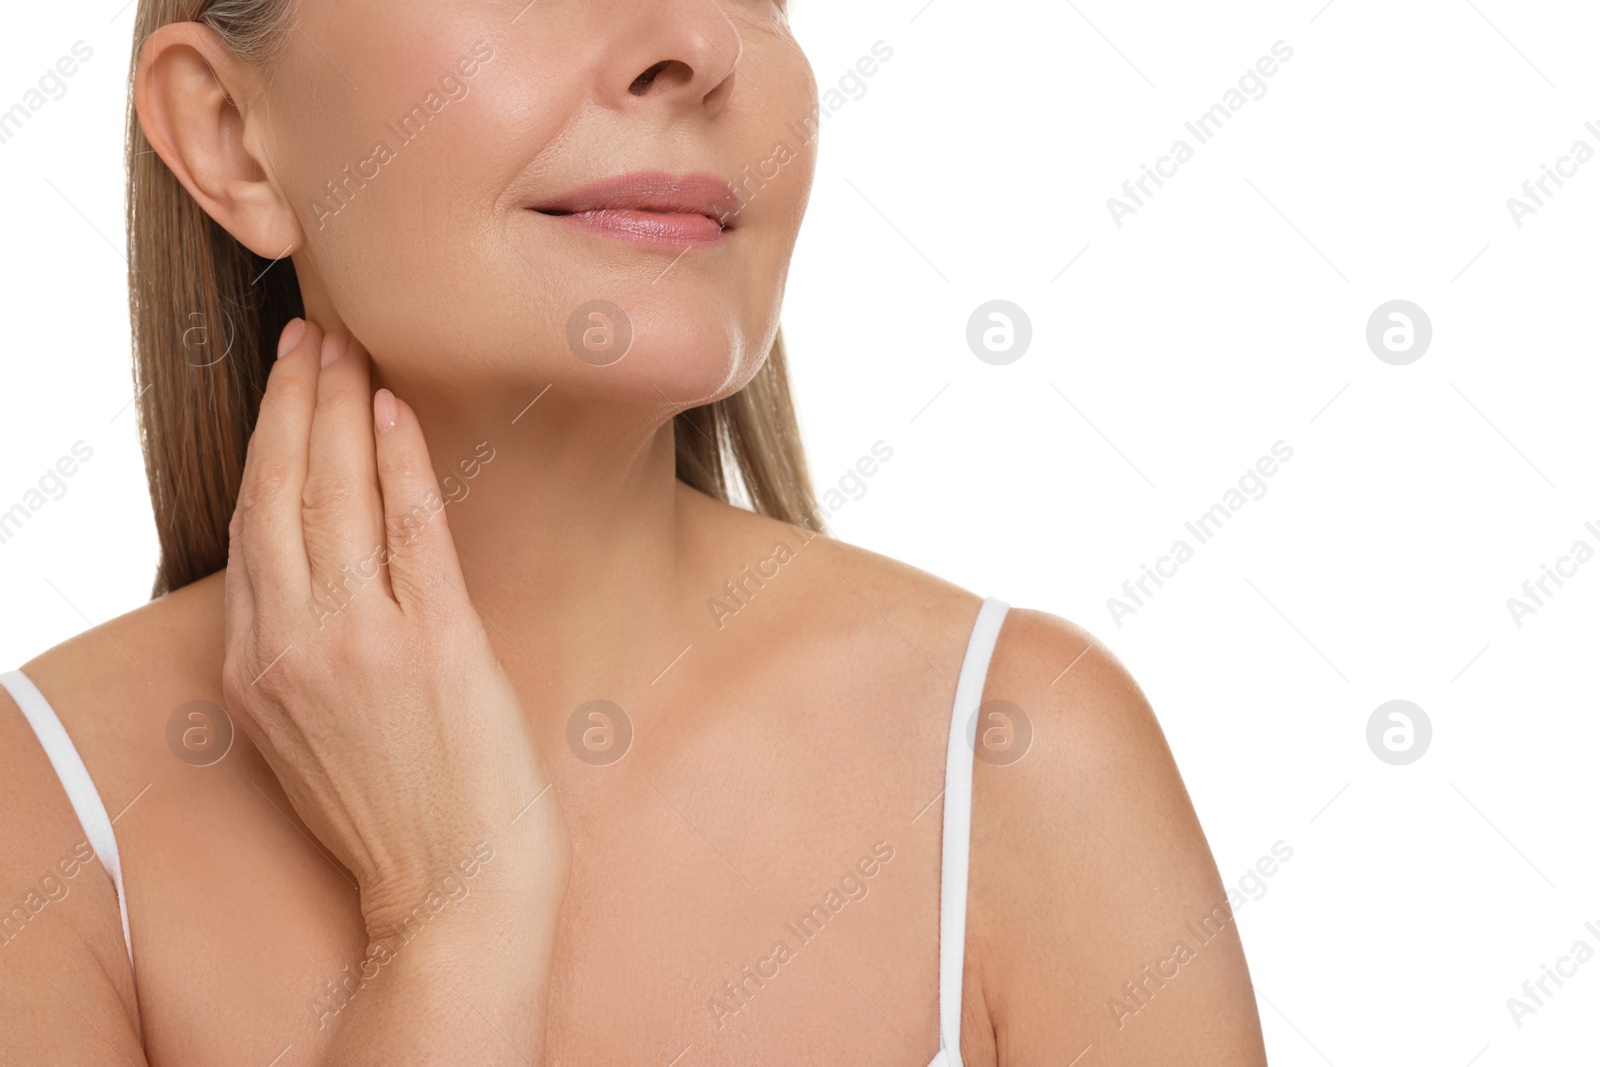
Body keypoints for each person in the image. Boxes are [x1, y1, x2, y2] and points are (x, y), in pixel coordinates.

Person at [0, 2, 1268, 1063]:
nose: (696, 41)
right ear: (233, 138)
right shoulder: (39, 829)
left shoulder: (1025, 761)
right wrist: (449, 915)